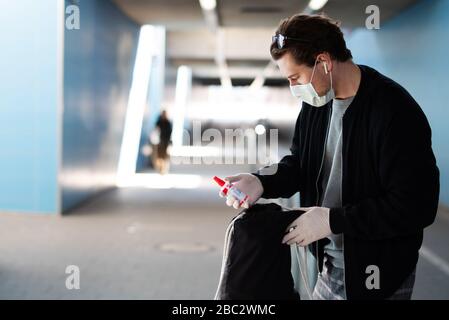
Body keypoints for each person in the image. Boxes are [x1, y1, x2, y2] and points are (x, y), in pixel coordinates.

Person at [219, 14, 440, 300]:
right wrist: (260, 182)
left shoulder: (394, 111)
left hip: (377, 271)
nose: (293, 87)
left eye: (295, 77)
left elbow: (415, 206)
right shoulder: (317, 104)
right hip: (331, 260)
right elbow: (300, 164)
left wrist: (331, 221)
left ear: (323, 62)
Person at [153, 110, 172, 175]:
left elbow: (170, 133)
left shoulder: (168, 123)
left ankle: (163, 168)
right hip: (159, 142)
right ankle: (160, 167)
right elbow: (155, 129)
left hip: (165, 142)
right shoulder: (159, 122)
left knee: (164, 156)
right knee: (159, 156)